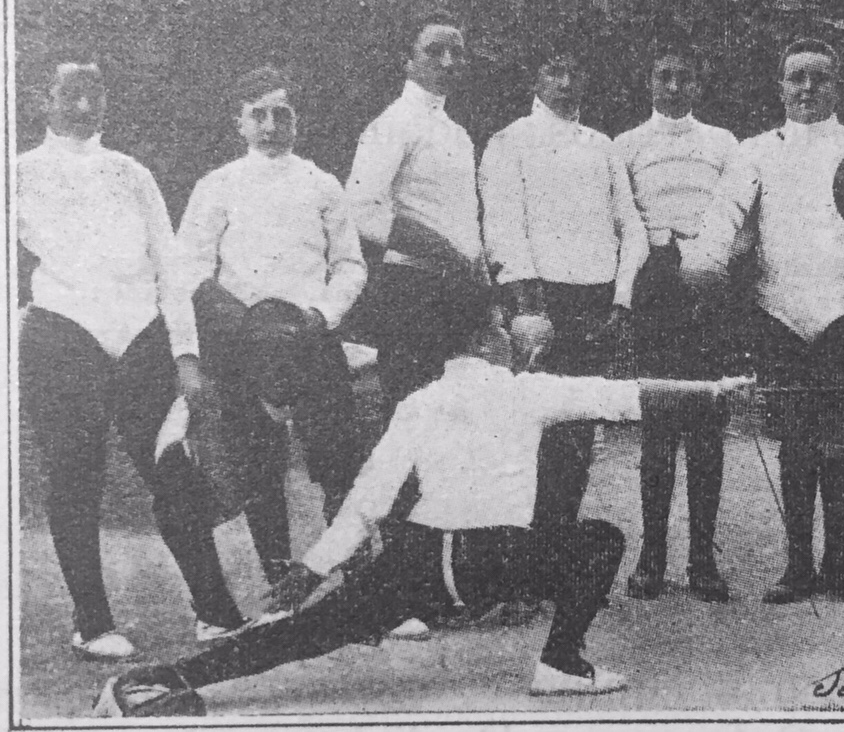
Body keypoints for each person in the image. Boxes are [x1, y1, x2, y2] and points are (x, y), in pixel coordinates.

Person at [92, 286, 754, 717]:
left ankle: (155, 683)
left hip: (416, 567)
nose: (513, 337)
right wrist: (717, 389)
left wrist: (314, 570)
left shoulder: (418, 401)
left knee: (301, 635)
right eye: (503, 328)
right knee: (600, 539)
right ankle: (561, 663)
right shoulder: (532, 391)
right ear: (486, 339)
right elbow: (630, 395)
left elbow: (368, 500)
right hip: (495, 563)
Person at [18, 59, 246, 659]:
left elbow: (171, 268)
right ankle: (92, 622)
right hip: (63, 332)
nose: (86, 107)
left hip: (142, 333)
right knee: (76, 474)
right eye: (72, 94)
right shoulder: (17, 173)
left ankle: (216, 609)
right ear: (44, 98)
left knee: (171, 469)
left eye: (96, 94)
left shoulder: (130, 172)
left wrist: (188, 356)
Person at [683, 38, 844, 604]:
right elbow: (723, 221)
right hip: (780, 313)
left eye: (819, 78)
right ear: (780, 86)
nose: (807, 88)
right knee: (794, 442)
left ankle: (839, 563)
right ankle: (797, 567)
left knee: (842, 444)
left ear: (837, 85)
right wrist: (701, 268)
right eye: (796, 78)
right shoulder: (754, 151)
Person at [174, 66, 368, 584]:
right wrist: (239, 322)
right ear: (238, 123)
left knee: (338, 459)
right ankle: (279, 580)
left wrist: (320, 315)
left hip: (310, 336)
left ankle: (353, 577)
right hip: (243, 343)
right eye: (257, 114)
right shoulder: (217, 185)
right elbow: (190, 265)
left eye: (281, 113)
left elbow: (350, 265)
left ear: (297, 120)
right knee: (259, 465)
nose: (270, 125)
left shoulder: (322, 184)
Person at [479, 45, 649, 528]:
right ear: (535, 78)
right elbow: (505, 227)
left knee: (577, 430)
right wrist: (528, 307)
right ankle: (519, 552)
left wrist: (621, 299)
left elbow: (630, 227)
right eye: (554, 71)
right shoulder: (509, 141)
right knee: (532, 428)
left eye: (574, 71)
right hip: (539, 303)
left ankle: (557, 545)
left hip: (596, 302)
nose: (565, 82)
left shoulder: (603, 146)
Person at [615, 40, 741, 603]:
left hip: (708, 286)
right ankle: (651, 558)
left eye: (683, 77)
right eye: (663, 76)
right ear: (649, 82)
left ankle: (702, 560)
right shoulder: (626, 145)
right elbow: (624, 223)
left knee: (707, 430)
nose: (673, 87)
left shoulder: (722, 143)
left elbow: (741, 217)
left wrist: (714, 267)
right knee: (660, 429)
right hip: (656, 288)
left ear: (698, 83)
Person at [346, 8, 488, 414]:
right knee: (412, 416)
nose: (447, 62)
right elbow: (361, 209)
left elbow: (461, 218)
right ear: (407, 60)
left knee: (457, 417)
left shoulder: (457, 133)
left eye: (456, 53)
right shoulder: (392, 124)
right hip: (411, 292)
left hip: (458, 292)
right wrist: (440, 249)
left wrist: (476, 277)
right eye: (434, 51)